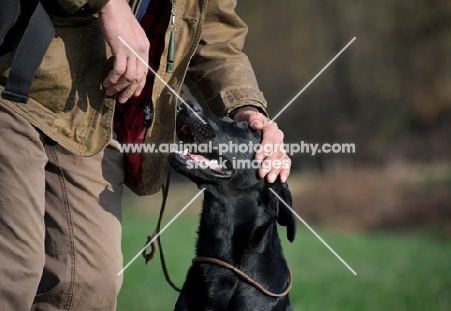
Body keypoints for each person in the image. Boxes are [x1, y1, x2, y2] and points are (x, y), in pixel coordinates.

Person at [0, 0, 291, 309]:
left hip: (95, 113)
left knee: (89, 284)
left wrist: (246, 108)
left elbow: (214, 31)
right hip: (13, 82)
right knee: (14, 267)